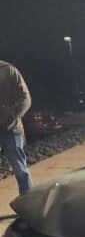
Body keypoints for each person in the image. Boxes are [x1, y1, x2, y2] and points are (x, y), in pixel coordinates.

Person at [0, 60, 33, 194]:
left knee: (20, 171)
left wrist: (9, 115)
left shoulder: (9, 70)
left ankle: (29, 201)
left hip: (11, 129)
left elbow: (26, 99)